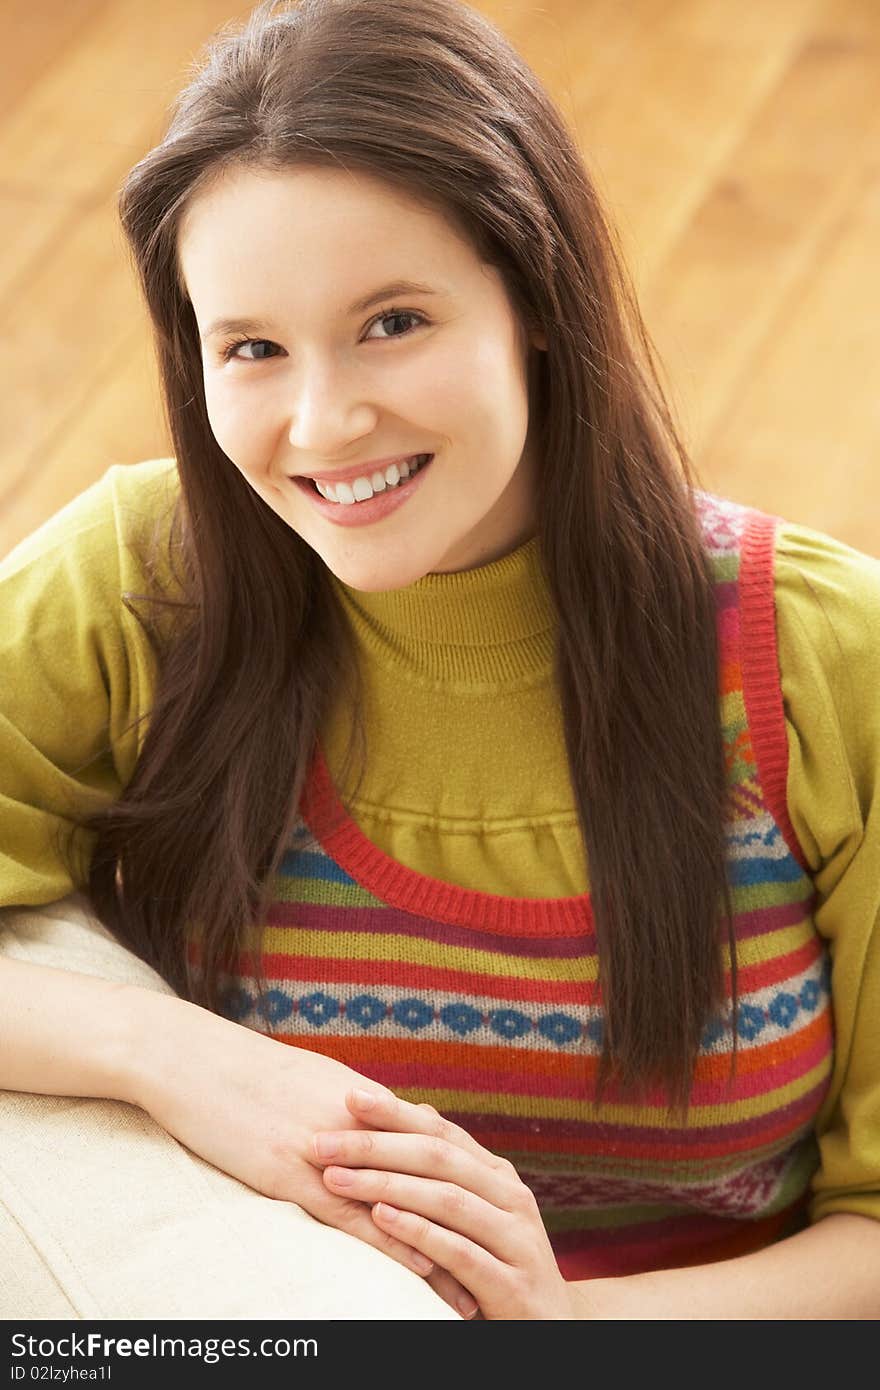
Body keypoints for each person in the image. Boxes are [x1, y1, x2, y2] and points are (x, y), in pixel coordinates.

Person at [1, 0, 879, 1321]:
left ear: (533, 296)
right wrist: (166, 1053)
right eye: (252, 348)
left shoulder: (820, 656)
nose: (323, 420)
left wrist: (562, 1325)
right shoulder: (144, 583)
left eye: (394, 321)